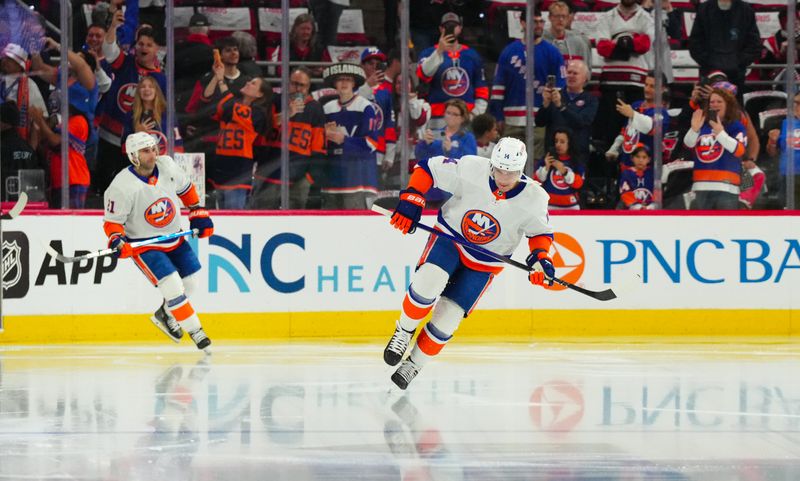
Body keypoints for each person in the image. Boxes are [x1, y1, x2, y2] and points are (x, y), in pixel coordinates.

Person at [382, 137, 555, 390]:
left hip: (486, 262)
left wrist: (541, 260)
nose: (504, 178)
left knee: (449, 317)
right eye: (499, 170)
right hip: (450, 239)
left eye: (512, 173)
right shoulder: (472, 167)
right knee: (429, 282)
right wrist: (412, 197)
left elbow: (540, 234)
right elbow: (428, 167)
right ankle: (404, 331)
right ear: (492, 164)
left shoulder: (535, 197)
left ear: (522, 170)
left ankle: (414, 364)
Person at [103, 132, 214, 350]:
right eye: (146, 151)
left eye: (154, 149)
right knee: (172, 284)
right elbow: (113, 223)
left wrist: (198, 213)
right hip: (145, 245)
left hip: (174, 237)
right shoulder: (120, 186)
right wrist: (117, 240)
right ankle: (196, 332)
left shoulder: (167, 166)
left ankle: (165, 314)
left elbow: (187, 189)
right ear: (133, 155)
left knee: (191, 283)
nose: (153, 154)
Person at [490, 8, 565, 153]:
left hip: (539, 120)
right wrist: (498, 115)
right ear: (523, 23)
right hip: (511, 120)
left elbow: (561, 86)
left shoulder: (552, 52)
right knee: (509, 164)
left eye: (541, 21)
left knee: (535, 165)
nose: (538, 25)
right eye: (534, 21)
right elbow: (498, 88)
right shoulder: (508, 52)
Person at [254, 67, 326, 210]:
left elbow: (319, 148)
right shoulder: (275, 101)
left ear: (308, 87)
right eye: (294, 84)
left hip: (299, 178)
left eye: (302, 85)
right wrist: (287, 113)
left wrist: (308, 178)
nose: (298, 88)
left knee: (295, 222)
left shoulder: (315, 108)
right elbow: (262, 126)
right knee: (262, 217)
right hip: (269, 174)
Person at [594, 0, 654, 147]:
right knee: (610, 132)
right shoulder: (607, 17)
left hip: (636, 84)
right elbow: (602, 47)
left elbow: (645, 44)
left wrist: (618, 44)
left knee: (634, 130)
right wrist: (630, 44)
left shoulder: (645, 18)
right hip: (610, 84)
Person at [320, 62, 380, 210]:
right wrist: (323, 136)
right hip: (331, 179)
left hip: (359, 180)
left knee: (357, 229)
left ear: (354, 83)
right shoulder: (326, 108)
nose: (344, 82)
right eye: (340, 79)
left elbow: (371, 143)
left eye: (348, 79)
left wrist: (344, 140)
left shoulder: (365, 107)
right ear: (335, 84)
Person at [416, 13, 489, 130]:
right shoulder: (428, 53)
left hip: (466, 118)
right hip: (437, 118)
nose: (450, 29)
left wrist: (475, 114)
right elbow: (424, 75)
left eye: (453, 26)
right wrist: (439, 51)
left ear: (460, 28)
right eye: (447, 26)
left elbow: (481, 89)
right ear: (441, 29)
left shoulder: (472, 55)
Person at [210, 77, 272, 209]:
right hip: (221, 168)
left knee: (234, 216)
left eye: (253, 83)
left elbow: (229, 106)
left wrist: (221, 81)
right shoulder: (234, 106)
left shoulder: (258, 114)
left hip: (240, 171)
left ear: (260, 94)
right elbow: (216, 110)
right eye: (249, 81)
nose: (248, 82)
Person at [684, 88, 746, 210]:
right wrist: (694, 130)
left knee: (726, 228)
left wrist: (721, 133)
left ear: (728, 105)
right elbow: (688, 146)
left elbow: (739, 150)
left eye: (719, 101)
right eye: (712, 102)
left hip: (727, 187)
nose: (715, 104)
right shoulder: (702, 124)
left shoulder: (736, 126)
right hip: (701, 186)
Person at [688, 0, 761, 94]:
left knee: (734, 107)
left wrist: (738, 62)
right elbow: (695, 42)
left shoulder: (746, 10)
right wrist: (708, 62)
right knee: (708, 106)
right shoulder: (704, 9)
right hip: (709, 73)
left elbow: (754, 44)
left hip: (736, 75)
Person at [537, 59, 597, 164]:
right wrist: (545, 104)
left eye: (575, 73)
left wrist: (561, 106)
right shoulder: (555, 95)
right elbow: (539, 122)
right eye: (569, 72)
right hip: (553, 154)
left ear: (585, 78)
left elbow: (581, 122)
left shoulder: (591, 100)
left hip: (577, 154)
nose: (571, 76)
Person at [122, 76, 183, 156]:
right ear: (138, 92)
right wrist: (136, 134)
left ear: (156, 91)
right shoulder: (131, 116)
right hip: (142, 165)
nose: (147, 89)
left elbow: (178, 146)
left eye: (151, 86)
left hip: (165, 163)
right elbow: (124, 149)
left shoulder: (168, 115)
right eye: (143, 87)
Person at [535, 128, 585, 210]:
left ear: (570, 143)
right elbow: (536, 181)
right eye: (556, 141)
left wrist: (564, 171)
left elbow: (579, 184)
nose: (558, 144)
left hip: (571, 206)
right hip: (548, 206)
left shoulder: (576, 162)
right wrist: (546, 167)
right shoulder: (545, 160)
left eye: (562, 142)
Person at [766, 91, 800, 208]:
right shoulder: (785, 123)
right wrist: (772, 141)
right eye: (795, 103)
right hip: (788, 175)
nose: (796, 106)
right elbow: (772, 153)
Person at [0, 102, 38, 200]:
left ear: (5, 123)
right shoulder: (28, 148)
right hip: (26, 205)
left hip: (5, 204)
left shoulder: (3, 146)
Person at [618, 144, 655, 210]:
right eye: (637, 157)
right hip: (630, 209)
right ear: (632, 158)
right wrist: (637, 206)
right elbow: (625, 193)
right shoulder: (627, 173)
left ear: (649, 159)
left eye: (644, 157)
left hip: (651, 208)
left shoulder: (653, 173)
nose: (640, 160)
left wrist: (652, 206)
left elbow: (658, 192)